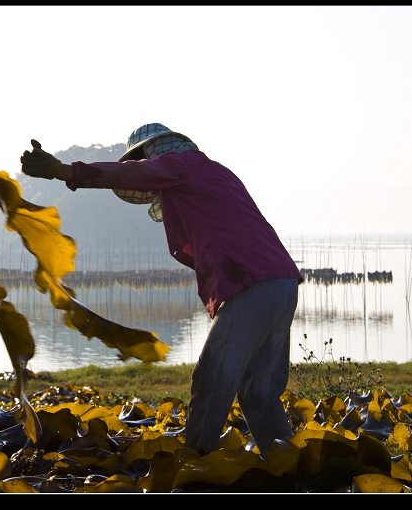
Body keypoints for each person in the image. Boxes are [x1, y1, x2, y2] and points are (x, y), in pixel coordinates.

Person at [19, 123, 304, 457]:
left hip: (252, 286)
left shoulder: (183, 165)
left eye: (142, 161)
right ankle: (291, 466)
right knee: (260, 393)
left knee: (211, 379)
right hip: (281, 283)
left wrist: (63, 171)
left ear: (157, 153)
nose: (144, 169)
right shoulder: (214, 174)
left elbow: (134, 176)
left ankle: (194, 466)